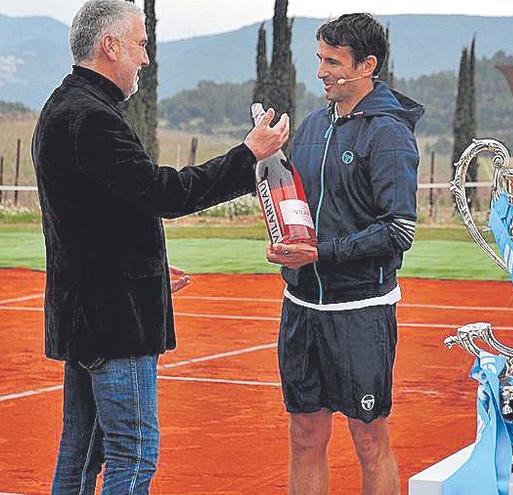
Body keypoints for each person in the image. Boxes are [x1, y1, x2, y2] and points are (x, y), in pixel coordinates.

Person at [31, 1, 289, 493]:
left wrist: (143, 259)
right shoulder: (94, 118)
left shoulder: (63, 108)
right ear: (110, 46)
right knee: (133, 453)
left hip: (86, 313)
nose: (145, 59)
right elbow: (162, 192)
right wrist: (248, 155)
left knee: (82, 455)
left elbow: (94, 213)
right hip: (115, 322)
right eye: (141, 45)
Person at [264, 13, 423, 495]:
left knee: (369, 439)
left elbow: (398, 231)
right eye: (320, 59)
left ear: (367, 64)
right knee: (304, 433)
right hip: (301, 307)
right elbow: (299, 205)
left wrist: (319, 255)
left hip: (360, 311)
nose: (322, 72)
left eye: (333, 62)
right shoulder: (311, 126)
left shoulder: (389, 132)